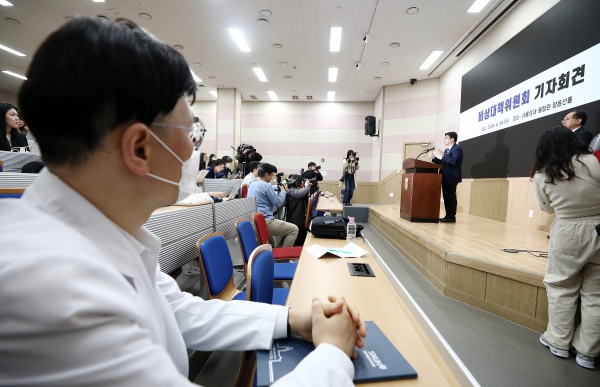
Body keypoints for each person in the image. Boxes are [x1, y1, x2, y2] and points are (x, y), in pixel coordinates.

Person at [0, 17, 366, 386]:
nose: (194, 148)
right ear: (140, 148)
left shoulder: (103, 234)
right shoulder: (52, 284)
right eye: (190, 131)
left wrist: (293, 321)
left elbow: (179, 311)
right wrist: (334, 356)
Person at [531, 126, 600, 370]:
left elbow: (548, 209)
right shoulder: (592, 160)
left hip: (568, 231)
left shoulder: (543, 174)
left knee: (561, 286)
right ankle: (587, 353)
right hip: (599, 228)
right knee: (596, 295)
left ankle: (558, 342)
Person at [248, 162, 299, 247]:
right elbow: (277, 202)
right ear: (266, 175)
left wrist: (278, 187)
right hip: (266, 222)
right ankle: (284, 257)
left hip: (254, 222)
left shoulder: (252, 183)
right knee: (294, 229)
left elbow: (267, 188)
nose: (272, 178)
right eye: (272, 175)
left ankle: (272, 258)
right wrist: (283, 191)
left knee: (272, 242)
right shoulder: (266, 185)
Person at [429, 132, 463, 223]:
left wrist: (443, 154)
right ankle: (448, 216)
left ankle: (451, 216)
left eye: (446, 138)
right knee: (446, 197)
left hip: (451, 177)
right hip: (444, 176)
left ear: (452, 139)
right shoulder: (447, 150)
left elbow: (453, 161)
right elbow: (443, 163)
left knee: (450, 197)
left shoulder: (457, 149)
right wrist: (433, 158)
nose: (444, 139)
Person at [286, 174, 312, 246]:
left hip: (299, 219)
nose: (303, 183)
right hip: (294, 220)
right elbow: (300, 193)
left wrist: (307, 187)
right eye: (302, 182)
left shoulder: (297, 190)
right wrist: (306, 187)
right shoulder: (291, 190)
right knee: (298, 237)